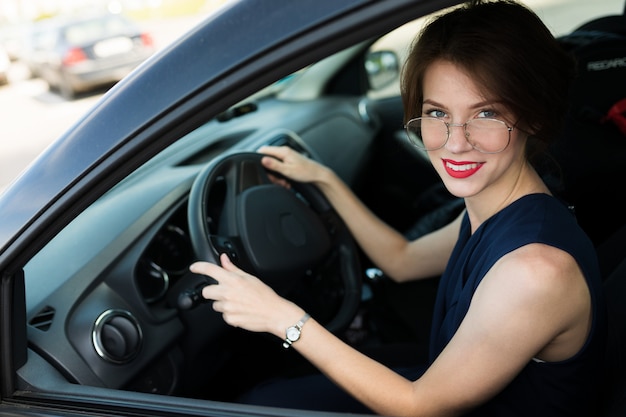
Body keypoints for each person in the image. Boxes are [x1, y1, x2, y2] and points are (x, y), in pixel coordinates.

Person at [189, 0, 607, 415]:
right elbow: (401, 261)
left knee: (260, 404)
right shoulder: (501, 207)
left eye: (486, 113)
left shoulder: (535, 271)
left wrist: (283, 318)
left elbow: (419, 406)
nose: (455, 141)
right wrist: (324, 180)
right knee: (271, 391)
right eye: (437, 112)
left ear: (532, 117)